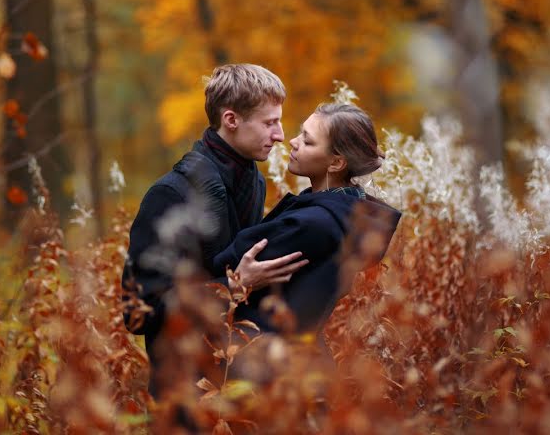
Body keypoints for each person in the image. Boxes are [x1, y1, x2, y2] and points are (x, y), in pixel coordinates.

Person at [122, 64, 308, 392]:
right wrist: (235, 286)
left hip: (239, 383)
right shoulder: (170, 194)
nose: (279, 135)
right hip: (183, 392)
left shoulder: (253, 183)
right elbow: (139, 314)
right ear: (231, 120)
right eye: (269, 123)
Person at [212, 103, 401, 334]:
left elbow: (225, 261)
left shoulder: (312, 224)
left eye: (308, 141)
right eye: (301, 133)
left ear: (336, 163)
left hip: (258, 353)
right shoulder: (350, 212)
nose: (293, 141)